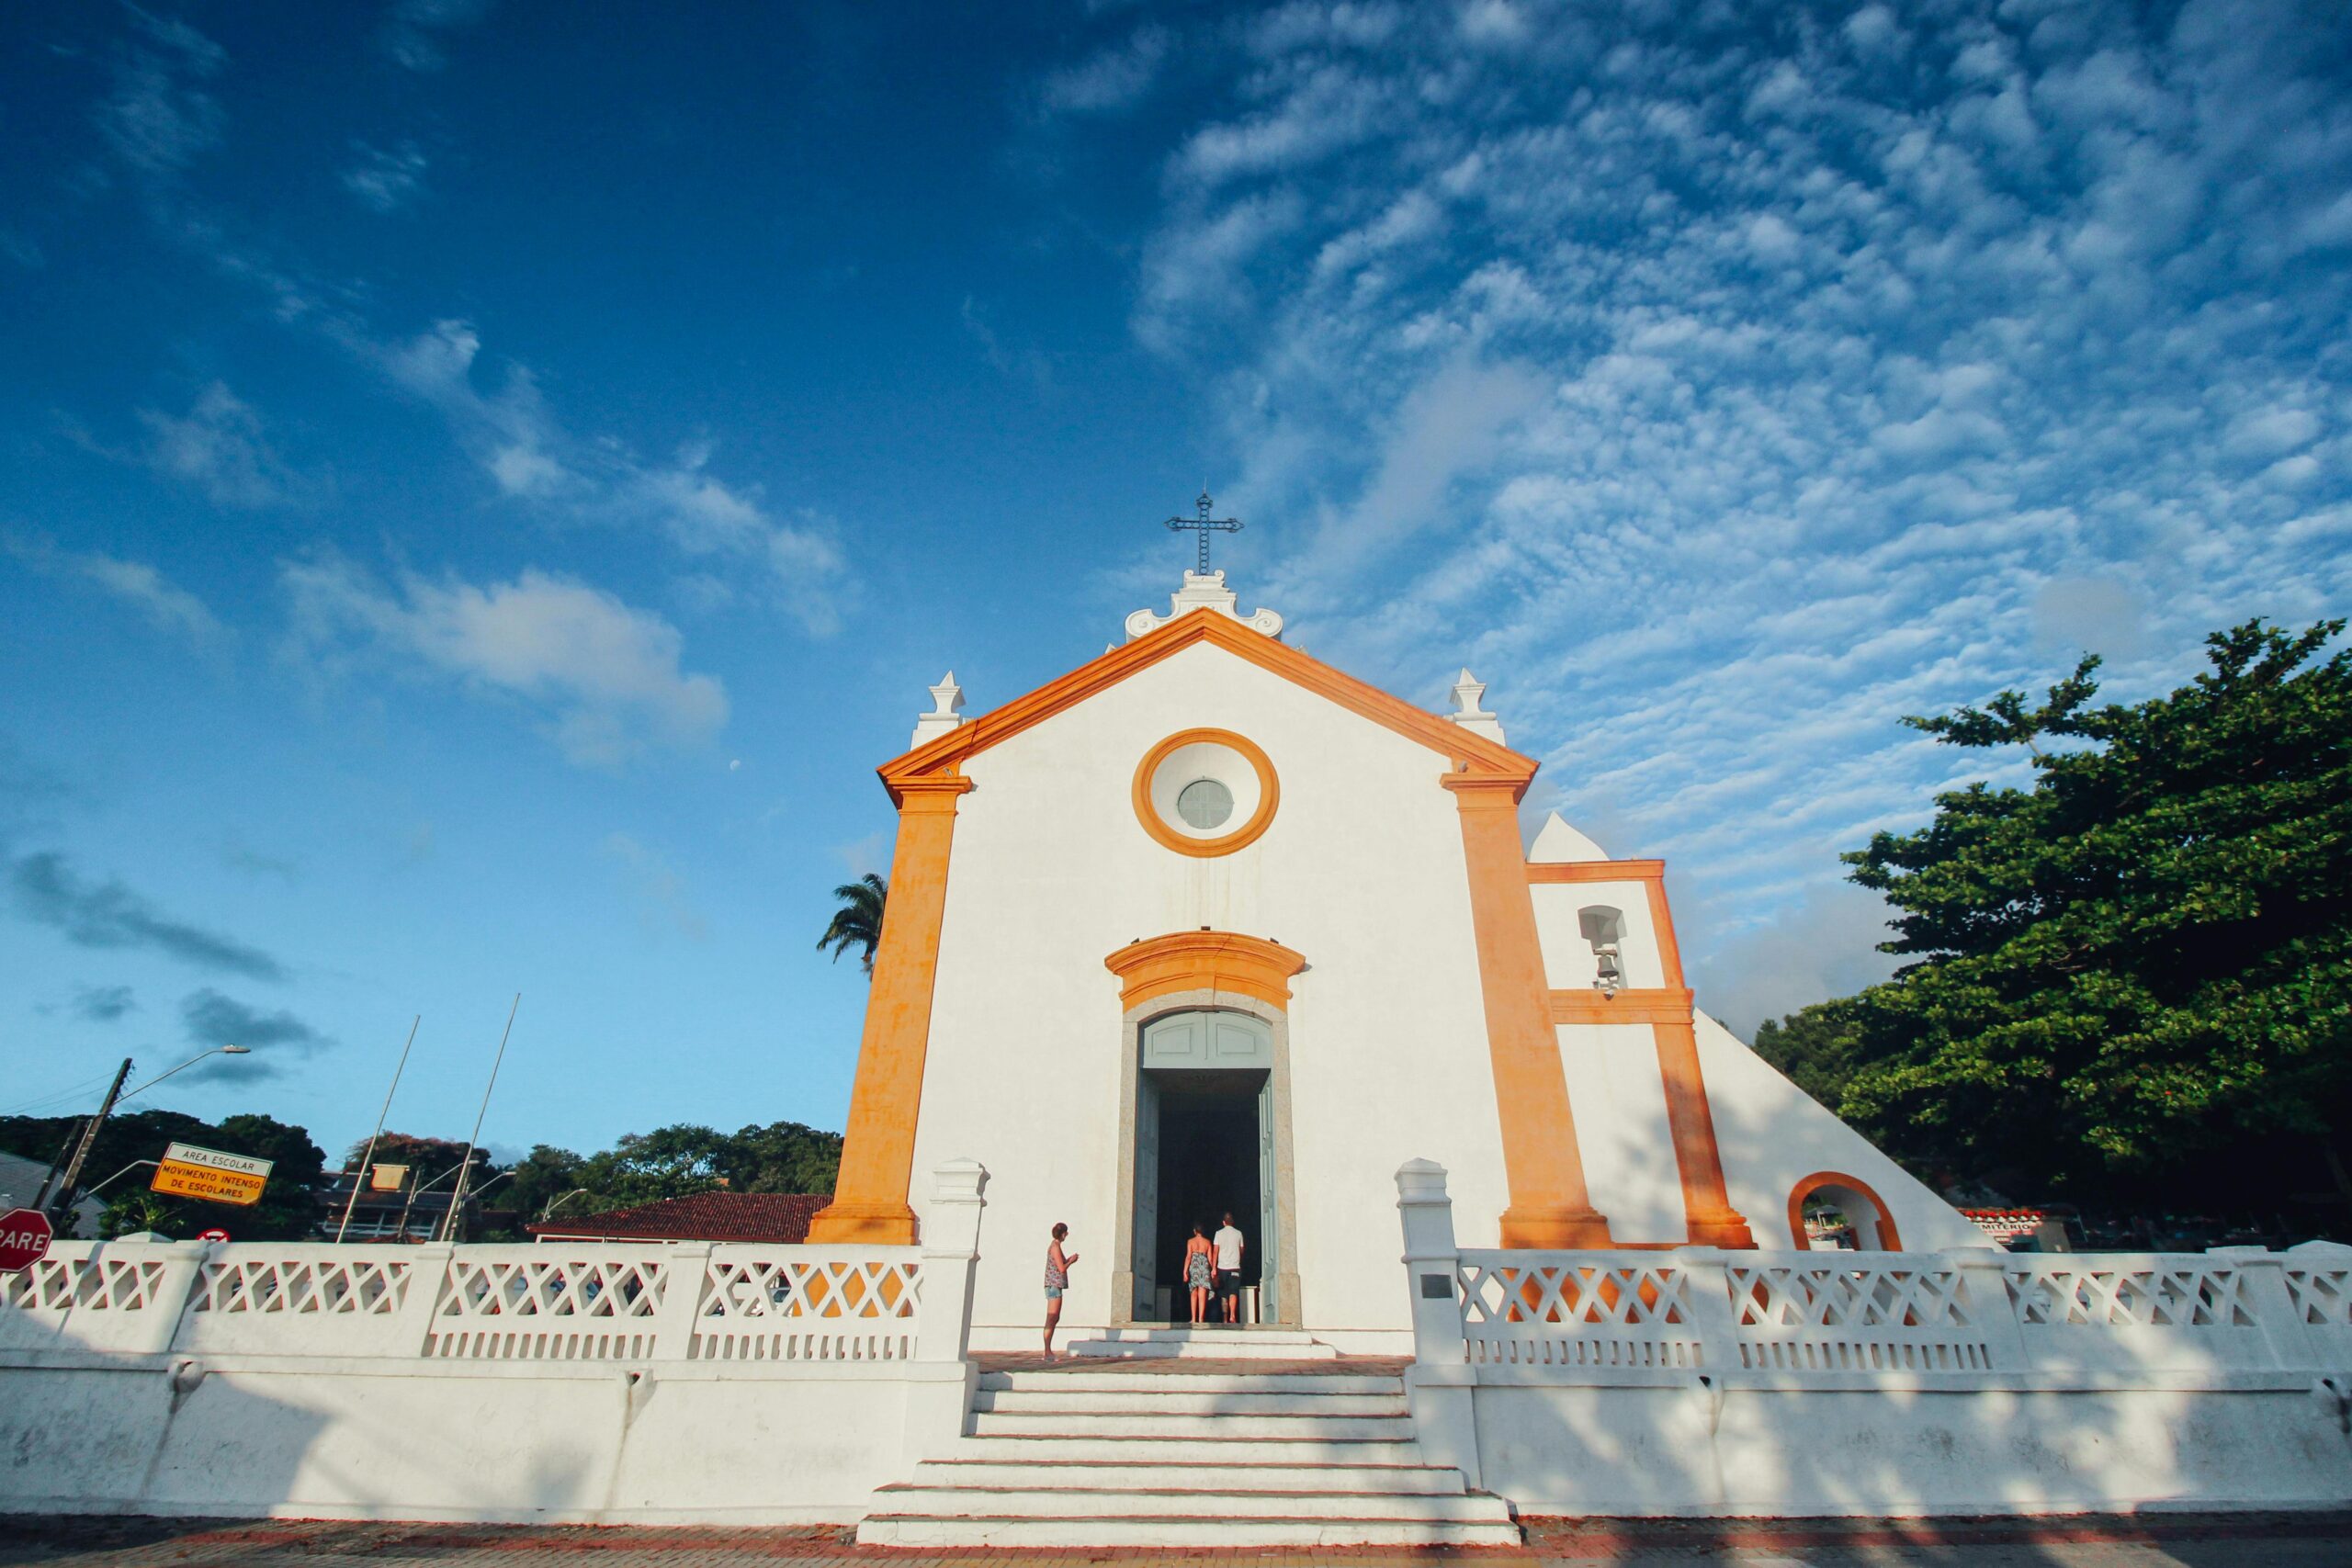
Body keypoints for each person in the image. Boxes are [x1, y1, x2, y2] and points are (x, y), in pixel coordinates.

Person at [1043, 1223, 1078, 1357]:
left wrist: (1069, 1259)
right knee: (1051, 1318)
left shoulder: (1055, 1246)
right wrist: (1071, 1261)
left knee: (1054, 1318)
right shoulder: (1055, 1247)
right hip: (1054, 1285)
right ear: (1062, 1233)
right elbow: (1061, 1268)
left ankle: (1048, 1350)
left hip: (1055, 1285)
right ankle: (1047, 1351)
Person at [1213, 1212, 1246, 1325]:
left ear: (1223, 1222)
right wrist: (1239, 1261)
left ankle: (1225, 1318)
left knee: (1223, 1295)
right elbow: (1242, 1250)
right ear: (1233, 1222)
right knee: (1233, 1292)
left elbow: (1215, 1251)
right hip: (1235, 1267)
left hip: (1222, 1267)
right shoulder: (1239, 1233)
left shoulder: (1218, 1233)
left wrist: (1213, 1268)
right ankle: (1232, 1315)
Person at [1184, 1223, 1214, 1324]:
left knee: (1193, 1293)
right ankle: (1201, 1318)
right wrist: (1214, 1269)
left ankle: (1193, 1318)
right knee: (1202, 1293)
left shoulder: (1190, 1241)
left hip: (1194, 1266)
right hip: (1204, 1266)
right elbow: (1210, 1258)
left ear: (1194, 1231)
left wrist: (1185, 1271)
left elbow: (1188, 1256)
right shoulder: (1207, 1242)